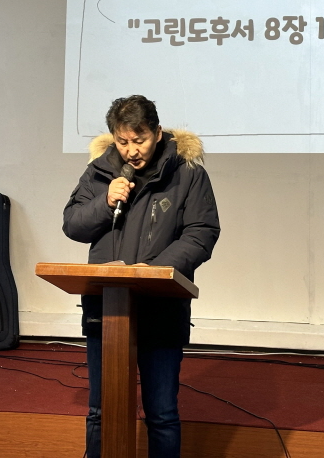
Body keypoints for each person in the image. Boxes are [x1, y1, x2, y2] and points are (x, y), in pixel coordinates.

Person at [63, 95, 220, 458]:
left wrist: (158, 270)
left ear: (157, 133)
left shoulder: (187, 173)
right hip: (107, 309)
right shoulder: (100, 172)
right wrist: (104, 201)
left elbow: (202, 232)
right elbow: (72, 224)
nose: (131, 151)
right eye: (122, 141)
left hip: (161, 308)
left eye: (140, 140)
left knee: (161, 413)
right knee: (101, 410)